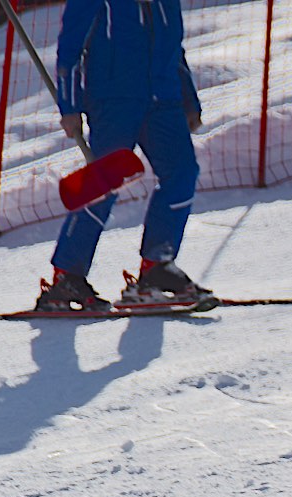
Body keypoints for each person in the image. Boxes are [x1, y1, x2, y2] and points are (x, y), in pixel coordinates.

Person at [36, 0, 210, 312]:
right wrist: (70, 105)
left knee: (183, 172)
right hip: (114, 100)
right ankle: (66, 276)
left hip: (164, 100)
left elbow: (174, 49)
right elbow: (70, 48)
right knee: (103, 182)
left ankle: (156, 267)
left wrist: (188, 100)